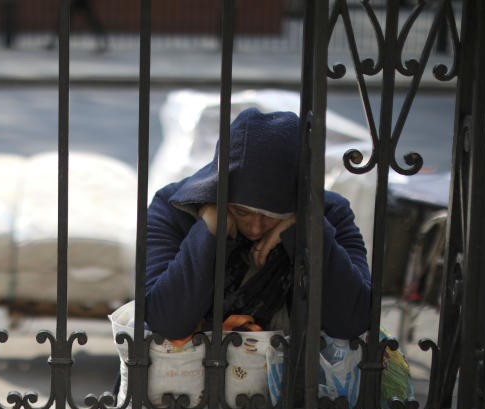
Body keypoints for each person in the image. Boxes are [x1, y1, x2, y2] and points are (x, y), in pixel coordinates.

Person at [144, 107, 371, 341]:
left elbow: (352, 322)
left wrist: (306, 228)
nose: (254, 227)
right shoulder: (172, 208)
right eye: (242, 212)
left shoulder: (331, 213)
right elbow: (166, 322)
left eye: (272, 215)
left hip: (292, 375)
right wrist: (209, 227)